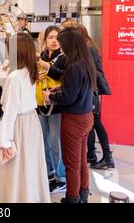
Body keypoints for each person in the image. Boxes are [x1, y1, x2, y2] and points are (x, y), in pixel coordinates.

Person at [0, 33, 50, 203]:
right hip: (31, 122)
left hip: (17, 125)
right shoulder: (29, 71)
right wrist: (6, 68)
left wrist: (4, 141)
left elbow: (10, 112)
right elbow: (3, 81)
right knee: (29, 166)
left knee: (13, 168)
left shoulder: (15, 77)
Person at [43, 28, 97, 203]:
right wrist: (61, 88)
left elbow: (68, 97)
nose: (60, 47)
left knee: (71, 164)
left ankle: (72, 198)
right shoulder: (85, 62)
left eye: (62, 43)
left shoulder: (74, 66)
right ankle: (83, 194)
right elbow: (75, 87)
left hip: (74, 121)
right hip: (86, 117)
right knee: (81, 161)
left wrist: (50, 96)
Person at [77, 25, 114, 169]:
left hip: (94, 91)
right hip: (94, 90)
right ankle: (92, 154)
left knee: (96, 123)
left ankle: (107, 156)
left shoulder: (88, 49)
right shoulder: (88, 47)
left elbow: (91, 72)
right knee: (92, 124)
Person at [36, 26, 67, 194]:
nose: (54, 41)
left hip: (56, 106)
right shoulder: (41, 56)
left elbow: (62, 76)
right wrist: (36, 75)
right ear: (45, 39)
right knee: (44, 141)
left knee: (56, 143)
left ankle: (61, 178)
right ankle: (50, 173)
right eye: (51, 37)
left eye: (57, 37)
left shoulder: (64, 57)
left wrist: (45, 68)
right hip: (40, 103)